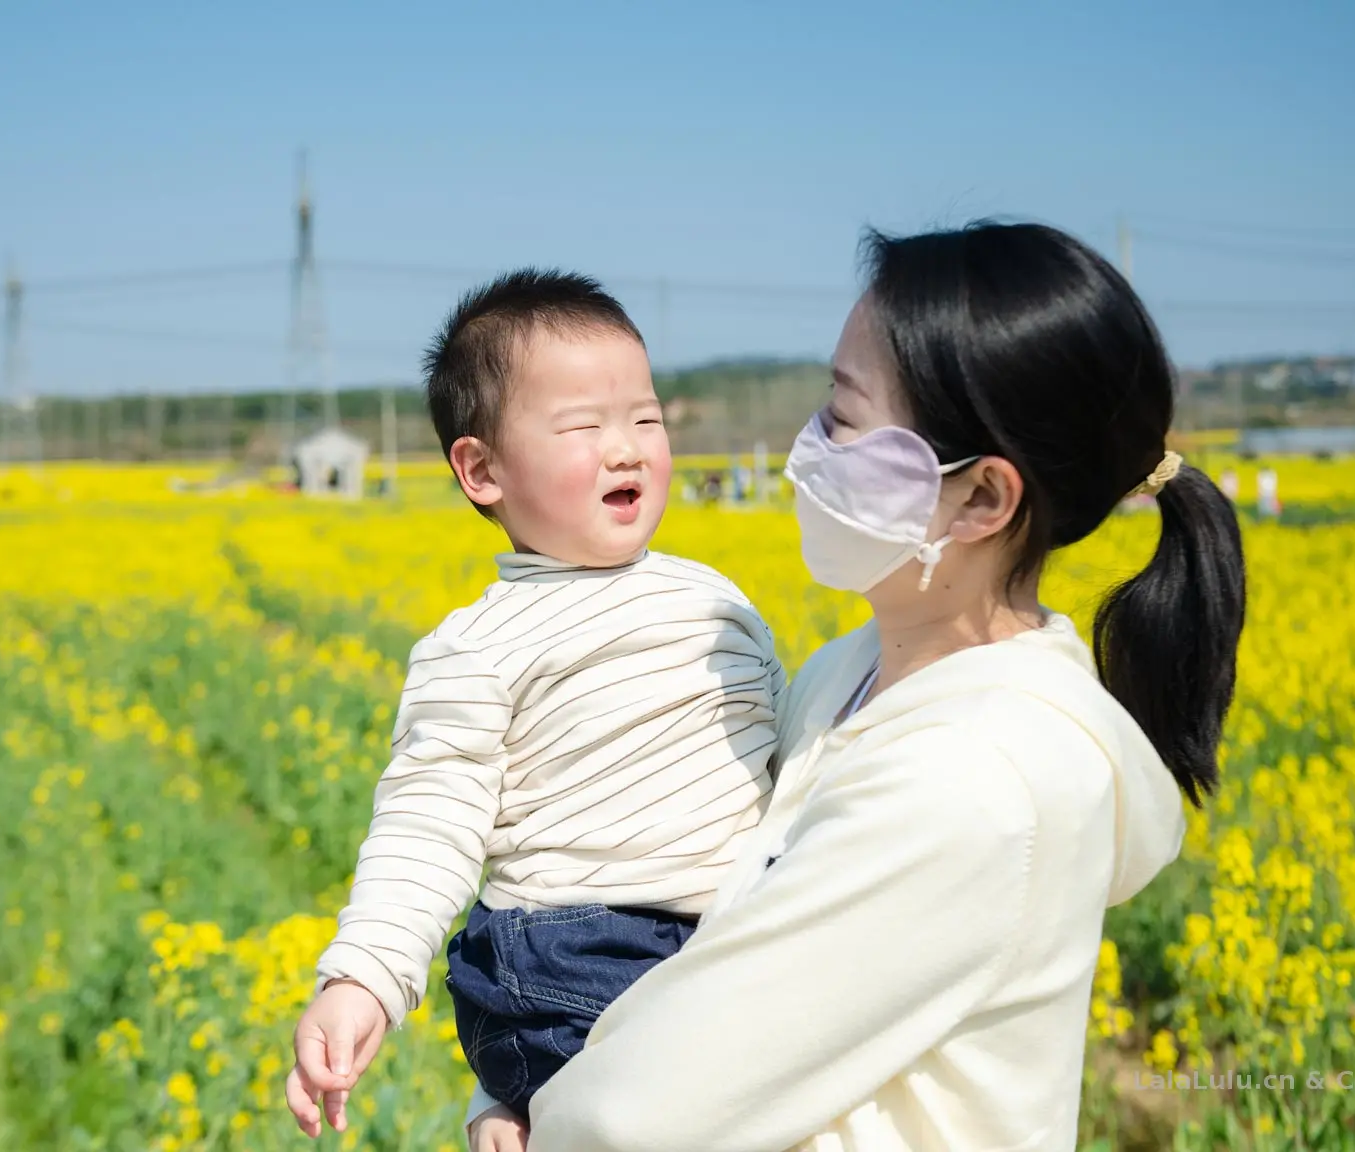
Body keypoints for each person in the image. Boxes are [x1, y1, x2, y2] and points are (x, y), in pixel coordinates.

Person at [468, 222, 1247, 1151]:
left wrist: (523, 1103)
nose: (808, 448)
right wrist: (517, 1083)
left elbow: (642, 1115)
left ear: (984, 499)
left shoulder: (977, 778)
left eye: (843, 417)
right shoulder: (856, 670)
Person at [285, 269, 786, 1136]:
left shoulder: (717, 596)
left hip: (729, 936)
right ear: (481, 470)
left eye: (646, 417)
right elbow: (429, 821)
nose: (626, 447)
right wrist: (364, 976)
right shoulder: (479, 645)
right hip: (574, 956)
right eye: (585, 426)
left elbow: (782, 758)